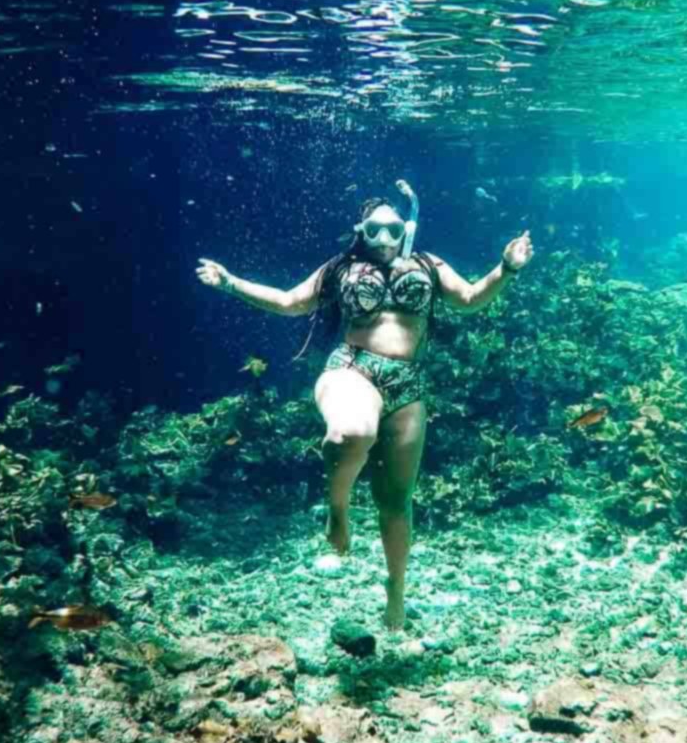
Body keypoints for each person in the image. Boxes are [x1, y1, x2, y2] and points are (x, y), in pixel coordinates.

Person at [196, 184, 533, 630]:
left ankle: (396, 590)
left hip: (408, 385)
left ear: (406, 228)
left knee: (395, 502)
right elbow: (289, 302)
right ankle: (338, 510)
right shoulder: (341, 267)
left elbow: (470, 300)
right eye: (374, 229)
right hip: (353, 369)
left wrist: (507, 268)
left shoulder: (428, 265)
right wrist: (230, 282)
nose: (384, 238)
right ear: (361, 230)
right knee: (350, 433)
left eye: (393, 229)